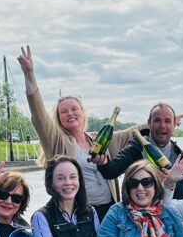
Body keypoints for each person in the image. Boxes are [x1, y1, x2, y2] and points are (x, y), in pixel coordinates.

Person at [17, 45, 145, 220]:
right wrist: (29, 74)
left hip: (110, 211)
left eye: (74, 109)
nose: (70, 113)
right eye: (64, 111)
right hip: (79, 214)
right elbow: (39, 115)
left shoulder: (97, 140)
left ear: (83, 113)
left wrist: (161, 119)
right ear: (58, 118)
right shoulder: (58, 141)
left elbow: (131, 133)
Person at [98, 102, 183, 200]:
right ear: (149, 124)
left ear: (174, 125)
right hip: (134, 213)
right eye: (157, 120)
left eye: (167, 121)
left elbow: (182, 196)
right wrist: (102, 162)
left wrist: (169, 181)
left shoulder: (181, 158)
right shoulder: (135, 148)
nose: (162, 125)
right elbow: (110, 172)